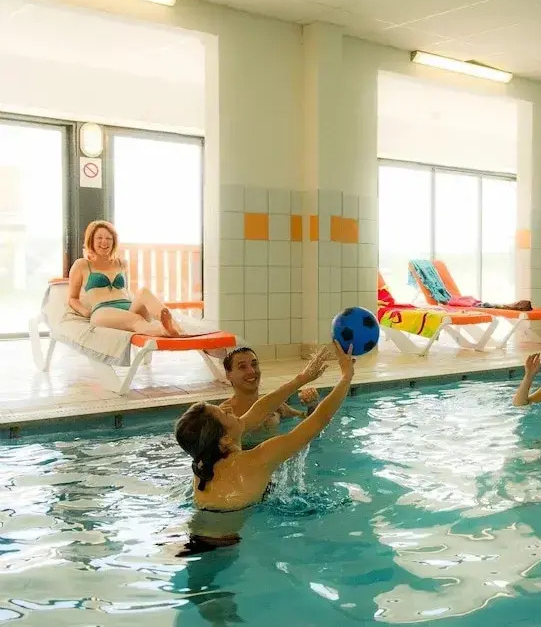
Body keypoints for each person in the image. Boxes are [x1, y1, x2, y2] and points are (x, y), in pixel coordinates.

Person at [173, 343, 353, 515]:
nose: (228, 409)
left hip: (203, 528)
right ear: (225, 439)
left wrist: (303, 378)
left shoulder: (202, 467)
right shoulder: (256, 460)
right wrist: (346, 377)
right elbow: (320, 419)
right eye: (224, 413)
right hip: (231, 536)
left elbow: (258, 411)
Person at [67, 219, 182, 337]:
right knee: (136, 320)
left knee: (144, 292)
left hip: (128, 307)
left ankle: (176, 328)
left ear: (114, 242)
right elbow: (73, 298)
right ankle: (163, 331)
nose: (104, 242)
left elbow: (126, 291)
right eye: (99, 238)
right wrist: (86, 312)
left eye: (109, 238)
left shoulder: (121, 263)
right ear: (91, 240)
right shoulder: (81, 265)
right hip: (102, 311)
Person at [219, 346, 319, 437]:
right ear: (228, 375)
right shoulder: (223, 414)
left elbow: (306, 420)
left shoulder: (275, 405)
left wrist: (312, 406)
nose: (251, 371)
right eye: (242, 367)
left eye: (254, 364)